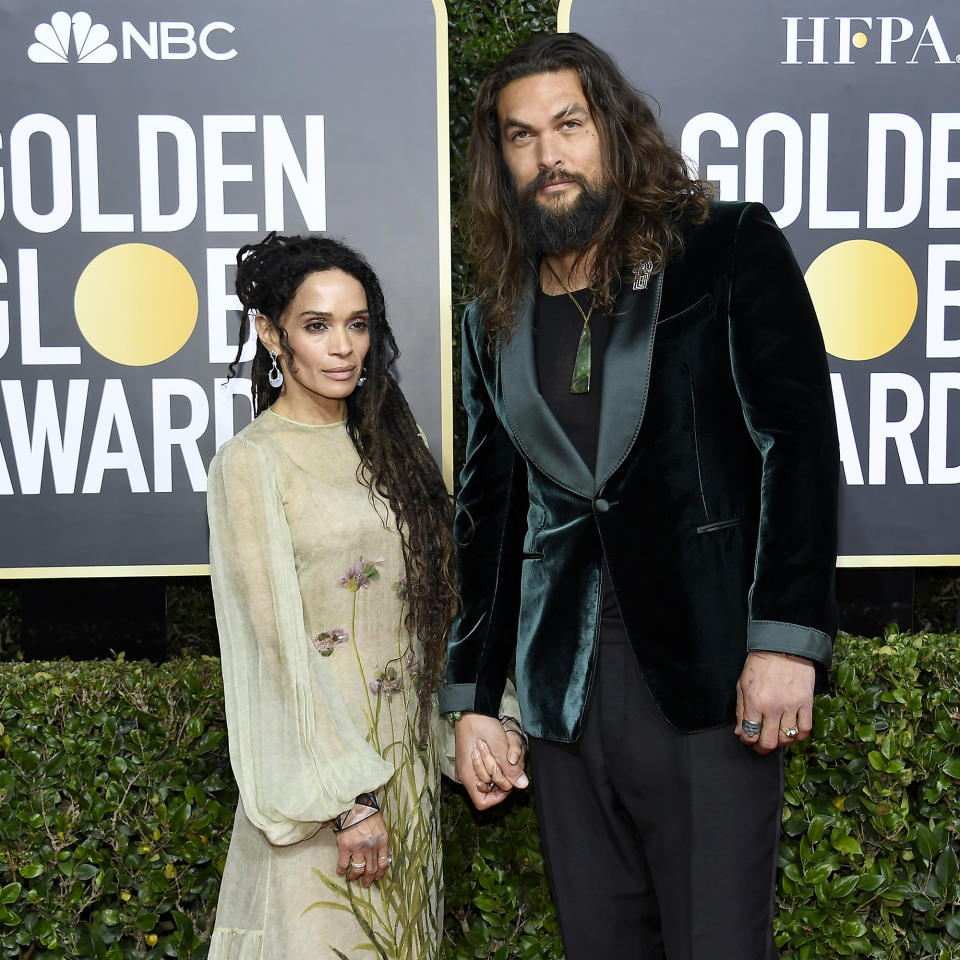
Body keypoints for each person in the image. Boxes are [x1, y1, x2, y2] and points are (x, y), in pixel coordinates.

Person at [440, 32, 839, 960]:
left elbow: (799, 445)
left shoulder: (725, 248)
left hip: (708, 677)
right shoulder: (489, 318)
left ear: (612, 130)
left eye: (569, 124)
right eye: (521, 135)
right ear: (500, 160)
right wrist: (472, 698)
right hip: (562, 697)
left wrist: (784, 639)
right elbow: (487, 519)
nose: (549, 155)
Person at [206, 233, 489, 960]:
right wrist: (347, 803)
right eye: (316, 325)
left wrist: (484, 722)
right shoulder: (251, 462)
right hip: (323, 801)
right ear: (271, 335)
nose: (342, 347)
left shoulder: (395, 447)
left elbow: (439, 606)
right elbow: (275, 648)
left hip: (407, 784)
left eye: (357, 324)